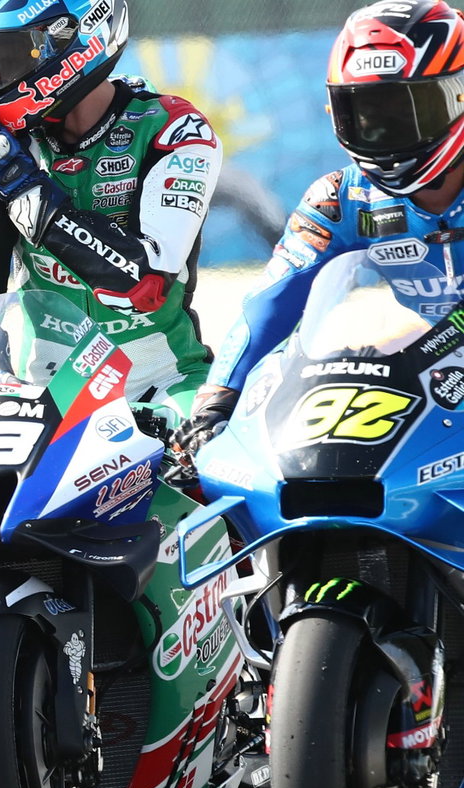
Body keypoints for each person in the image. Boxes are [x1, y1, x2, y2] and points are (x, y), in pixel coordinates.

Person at [0, 0, 223, 788]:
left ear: (75, 42)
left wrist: (36, 201)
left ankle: (277, 720)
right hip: (40, 382)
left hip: (155, 381)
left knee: (244, 510)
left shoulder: (174, 132)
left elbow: (145, 277)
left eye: (11, 52)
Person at [175, 0, 464, 461]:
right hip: (437, 387)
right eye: (364, 114)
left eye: (405, 110)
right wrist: (216, 404)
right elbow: (268, 309)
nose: (384, 132)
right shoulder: (341, 198)